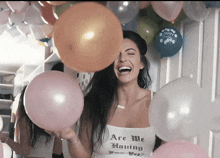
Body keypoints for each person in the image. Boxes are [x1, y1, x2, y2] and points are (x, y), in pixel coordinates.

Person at [52, 30, 166, 158]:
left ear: (141, 63)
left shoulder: (158, 103)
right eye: (116, 55)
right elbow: (83, 155)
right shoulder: (93, 103)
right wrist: (72, 137)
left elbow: (167, 152)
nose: (123, 59)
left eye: (130, 53)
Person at [0, 86, 54, 158]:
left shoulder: (25, 120)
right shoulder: (50, 119)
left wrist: (5, 139)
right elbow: (57, 150)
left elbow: (24, 151)